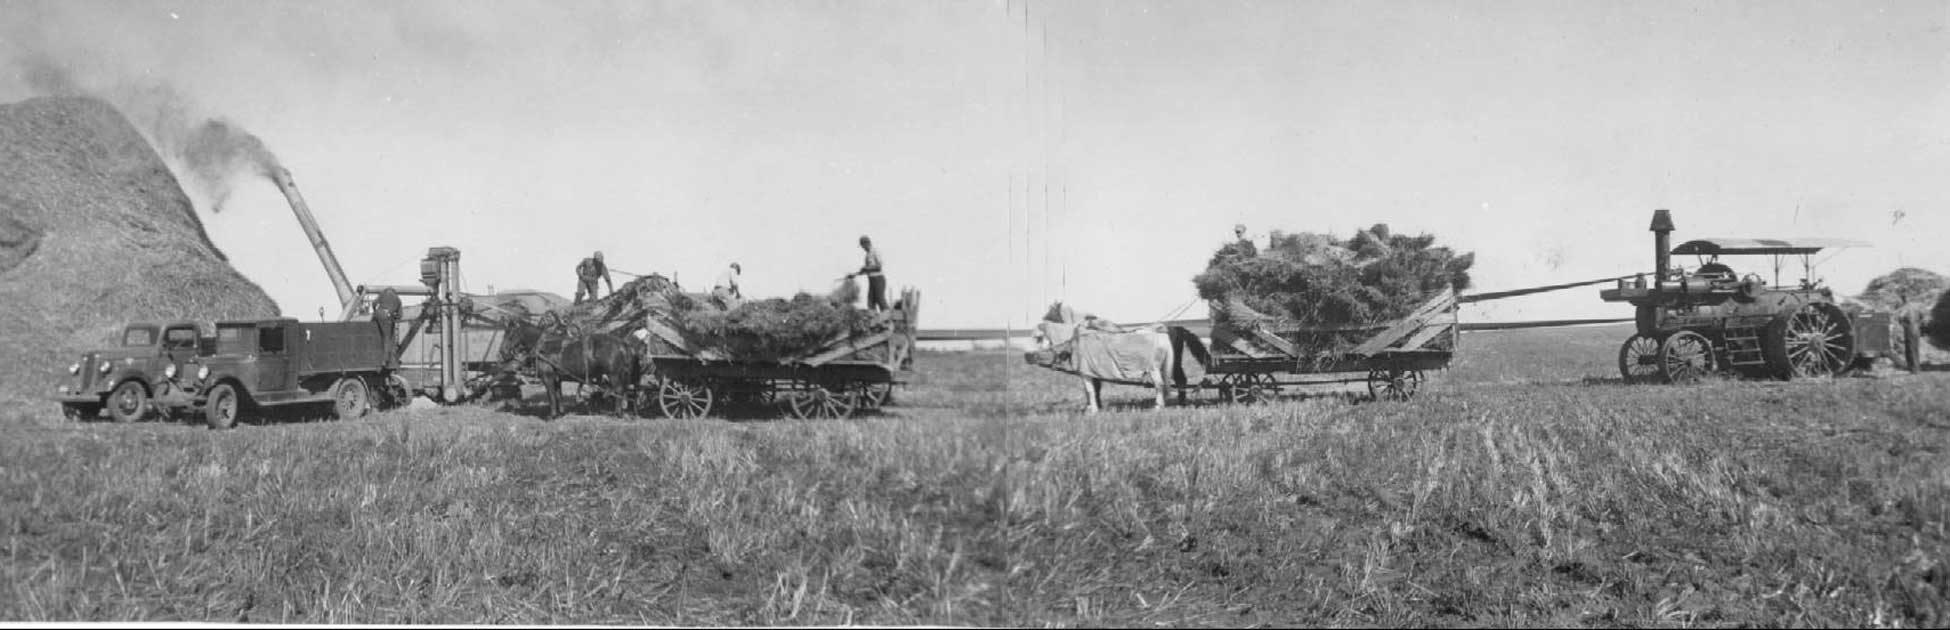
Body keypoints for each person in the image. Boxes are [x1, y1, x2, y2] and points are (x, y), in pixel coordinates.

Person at [846, 235, 887, 312]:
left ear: (866, 244)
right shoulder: (867, 255)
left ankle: (887, 318)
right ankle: (873, 320)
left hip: (879, 279)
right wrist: (854, 275)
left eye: (862, 246)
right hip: (871, 280)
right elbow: (865, 271)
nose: (863, 248)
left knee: (880, 299)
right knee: (870, 301)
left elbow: (879, 267)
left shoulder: (875, 251)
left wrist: (867, 268)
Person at [372, 287, 403, 368]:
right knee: (387, 338)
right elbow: (400, 315)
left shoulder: (383, 294)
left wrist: (375, 311)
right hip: (387, 317)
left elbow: (374, 303)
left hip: (378, 314)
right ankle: (385, 360)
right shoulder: (397, 299)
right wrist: (394, 318)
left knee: (374, 334)